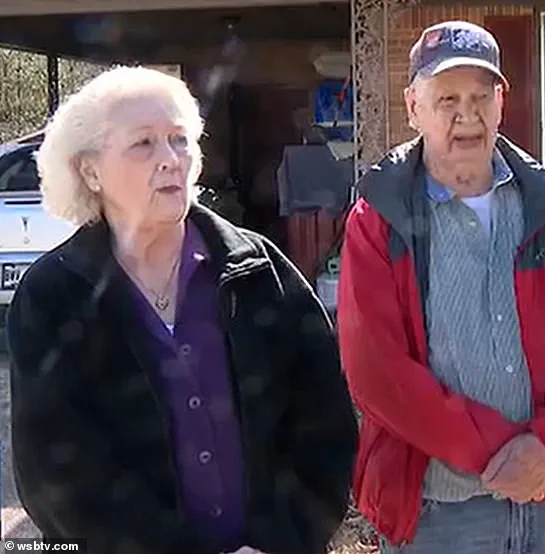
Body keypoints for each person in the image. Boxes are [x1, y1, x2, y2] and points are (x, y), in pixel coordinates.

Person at [7, 66, 358, 554]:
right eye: (144, 144)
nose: (171, 160)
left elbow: (326, 422)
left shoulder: (259, 270)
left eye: (179, 140)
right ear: (90, 170)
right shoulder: (54, 295)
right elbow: (57, 475)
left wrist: (285, 540)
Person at [337, 20, 545, 554]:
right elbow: (377, 371)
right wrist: (506, 455)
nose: (466, 115)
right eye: (446, 98)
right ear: (413, 107)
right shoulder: (380, 219)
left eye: (479, 97)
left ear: (501, 104)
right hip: (443, 516)